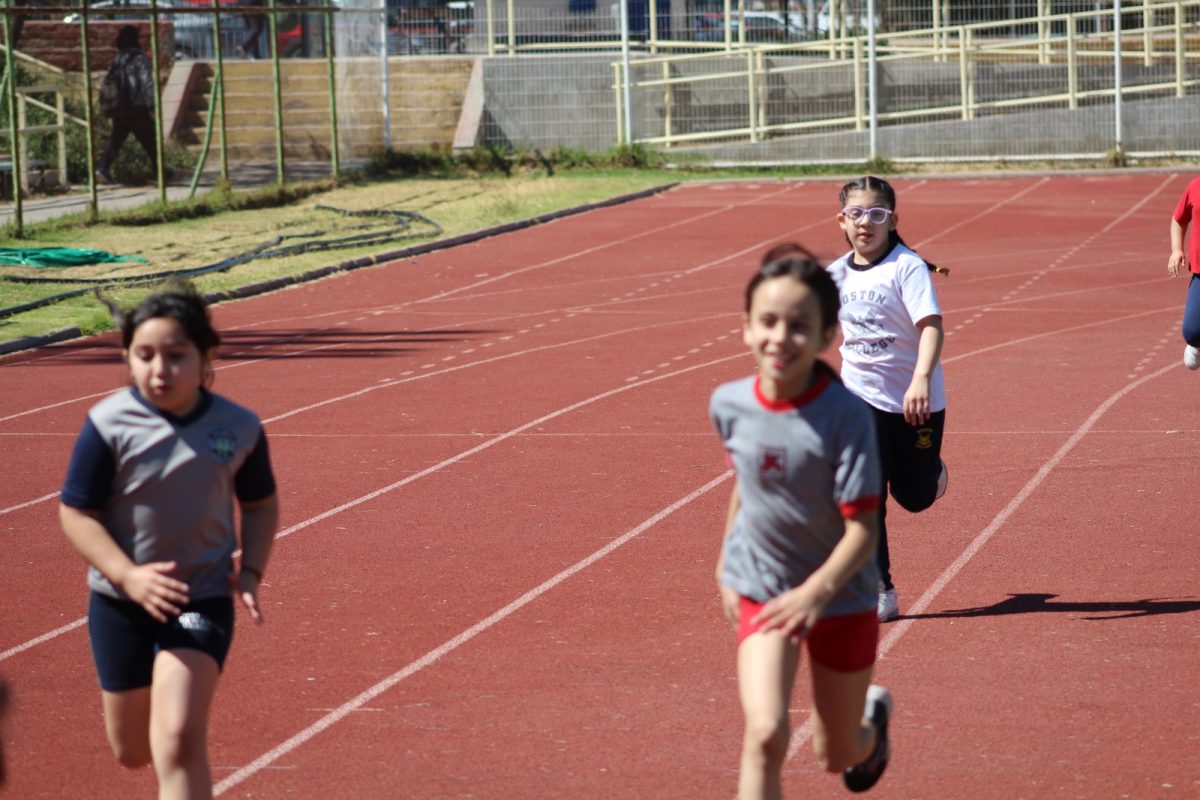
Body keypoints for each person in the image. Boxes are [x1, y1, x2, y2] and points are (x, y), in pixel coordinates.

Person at [59, 282, 279, 799]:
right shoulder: (109, 424)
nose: (160, 370)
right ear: (128, 357)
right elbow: (76, 513)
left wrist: (250, 573)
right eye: (145, 355)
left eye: (176, 356)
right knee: (133, 750)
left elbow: (261, 504)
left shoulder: (238, 426)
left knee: (178, 739)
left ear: (207, 356)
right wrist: (128, 575)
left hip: (199, 596)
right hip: (120, 602)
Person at [712, 245, 892, 798]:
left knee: (836, 753)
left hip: (840, 597)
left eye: (799, 325)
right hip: (762, 588)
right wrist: (726, 563)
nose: (779, 338)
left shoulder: (847, 417)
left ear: (826, 336)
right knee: (764, 734)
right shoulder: (729, 404)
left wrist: (816, 593)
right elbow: (750, 482)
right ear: (745, 328)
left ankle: (871, 729)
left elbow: (863, 529)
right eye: (767, 322)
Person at [825, 176, 948, 623]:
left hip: (917, 402)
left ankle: (931, 473)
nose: (866, 223)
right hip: (859, 400)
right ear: (842, 220)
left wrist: (920, 379)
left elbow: (931, 326)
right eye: (856, 214)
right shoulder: (834, 275)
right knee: (864, 494)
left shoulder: (907, 267)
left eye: (877, 214)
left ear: (892, 220)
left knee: (913, 497)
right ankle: (881, 589)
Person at [97, 26, 162, 186]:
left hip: (121, 108)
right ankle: (159, 171)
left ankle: (102, 168)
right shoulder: (140, 58)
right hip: (137, 107)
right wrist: (152, 104)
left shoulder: (118, 59)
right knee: (151, 140)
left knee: (116, 139)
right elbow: (147, 82)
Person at [1168, 175, 1200, 369]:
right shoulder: (1196, 185)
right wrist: (1177, 250)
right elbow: (1178, 219)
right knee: (1191, 331)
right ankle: (1196, 344)